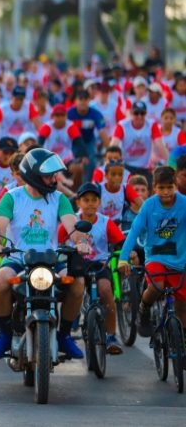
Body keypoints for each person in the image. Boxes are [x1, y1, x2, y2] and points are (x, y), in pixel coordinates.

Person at [0, 148, 91, 360]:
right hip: (18, 259)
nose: (54, 179)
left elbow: (73, 226)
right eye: (49, 175)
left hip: (52, 260)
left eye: (54, 175)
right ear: (32, 174)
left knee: (78, 284)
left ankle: (64, 335)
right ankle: (5, 334)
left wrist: (81, 241)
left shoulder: (59, 198)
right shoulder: (11, 198)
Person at [118, 167, 186, 338]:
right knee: (157, 287)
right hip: (156, 257)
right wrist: (123, 258)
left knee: (182, 305)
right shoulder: (149, 205)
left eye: (169, 187)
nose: (166, 192)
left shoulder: (184, 203)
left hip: (180, 259)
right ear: (154, 188)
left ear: (175, 186)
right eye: (161, 188)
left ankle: (181, 340)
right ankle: (144, 309)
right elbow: (133, 231)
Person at [59, 183, 127, 354]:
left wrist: (128, 254)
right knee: (73, 290)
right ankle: (71, 317)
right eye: (86, 200)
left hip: (99, 264)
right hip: (76, 263)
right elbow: (58, 242)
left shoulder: (106, 222)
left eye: (94, 200)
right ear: (79, 202)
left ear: (99, 202)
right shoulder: (70, 221)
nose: (90, 203)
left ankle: (111, 335)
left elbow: (120, 242)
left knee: (105, 290)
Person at [110, 101, 168, 187]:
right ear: (131, 113)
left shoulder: (152, 125)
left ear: (146, 114)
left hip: (145, 167)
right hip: (126, 167)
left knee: (149, 191)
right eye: (136, 113)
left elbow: (160, 145)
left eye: (142, 113)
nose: (139, 116)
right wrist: (109, 163)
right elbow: (114, 145)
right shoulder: (122, 125)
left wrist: (169, 162)